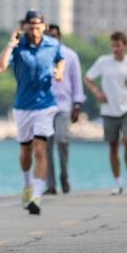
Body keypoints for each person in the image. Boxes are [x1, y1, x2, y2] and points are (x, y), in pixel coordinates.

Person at [0, 9, 65, 215]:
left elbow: (60, 59)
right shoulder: (18, 47)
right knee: (25, 152)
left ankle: (36, 196)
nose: (34, 31)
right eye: (30, 27)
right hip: (22, 106)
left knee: (40, 150)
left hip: (45, 106)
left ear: (44, 26)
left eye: (37, 26)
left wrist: (59, 71)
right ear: (25, 27)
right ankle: (27, 185)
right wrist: (10, 43)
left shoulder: (53, 45)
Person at [84, 31, 127, 194]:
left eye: (118, 45)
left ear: (124, 46)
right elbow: (88, 78)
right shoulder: (103, 62)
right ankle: (117, 181)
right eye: (113, 45)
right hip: (109, 109)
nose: (115, 49)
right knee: (113, 146)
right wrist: (97, 92)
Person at [45, 23, 85, 194]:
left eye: (54, 35)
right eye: (48, 36)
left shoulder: (70, 55)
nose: (51, 38)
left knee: (62, 140)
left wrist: (77, 105)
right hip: (44, 106)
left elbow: (77, 81)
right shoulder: (41, 54)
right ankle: (51, 185)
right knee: (46, 146)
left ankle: (64, 175)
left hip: (64, 106)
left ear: (59, 36)